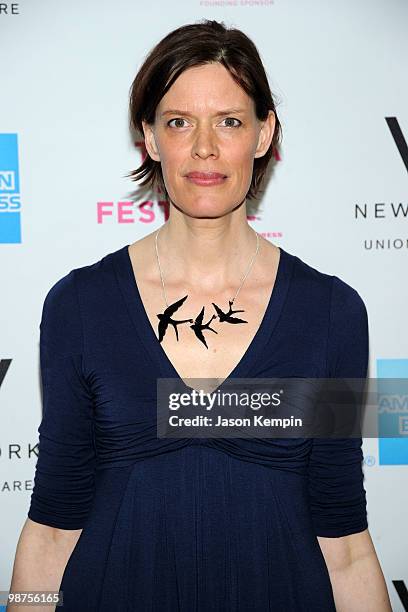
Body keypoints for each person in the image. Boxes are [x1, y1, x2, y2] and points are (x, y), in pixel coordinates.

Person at [8, 19, 391, 612]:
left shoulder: (332, 313)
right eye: (179, 122)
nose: (204, 148)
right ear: (151, 139)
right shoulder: (79, 306)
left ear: (265, 135)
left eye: (230, 121)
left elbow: (343, 541)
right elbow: (53, 528)